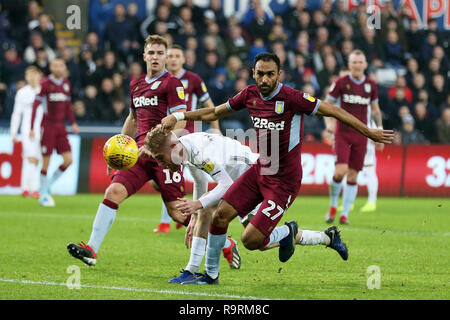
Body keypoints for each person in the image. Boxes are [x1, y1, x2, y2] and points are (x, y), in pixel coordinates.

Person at [161, 52, 393, 284]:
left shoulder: (292, 98)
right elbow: (214, 112)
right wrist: (179, 115)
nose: (264, 79)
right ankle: (211, 276)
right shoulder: (249, 95)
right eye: (260, 74)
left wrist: (369, 131)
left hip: (284, 181)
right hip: (259, 170)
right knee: (219, 217)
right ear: (253, 73)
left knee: (251, 240)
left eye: (270, 74)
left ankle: (288, 231)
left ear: (278, 75)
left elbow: (333, 110)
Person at [143, 126, 351, 284]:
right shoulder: (184, 148)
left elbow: (225, 185)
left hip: (251, 177)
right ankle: (325, 237)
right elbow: (200, 182)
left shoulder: (197, 152)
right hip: (239, 181)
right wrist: (196, 215)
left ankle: (199, 272)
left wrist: (198, 204)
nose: (161, 164)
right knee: (260, 242)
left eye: (160, 158)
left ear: (171, 146)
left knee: (243, 232)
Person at [66, 35, 192, 266]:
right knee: (112, 191)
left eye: (159, 53)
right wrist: (119, 149)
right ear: (144, 56)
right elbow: (133, 118)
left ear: (165, 57)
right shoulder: (136, 84)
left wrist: (156, 146)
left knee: (177, 212)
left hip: (164, 156)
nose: (155, 57)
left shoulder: (172, 84)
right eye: (151, 53)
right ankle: (91, 249)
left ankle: (225, 243)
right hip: (138, 153)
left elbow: (181, 122)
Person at [153, 44, 221, 234]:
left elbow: (209, 105)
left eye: (177, 56)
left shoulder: (194, 79)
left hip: (188, 134)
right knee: (163, 178)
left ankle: (194, 214)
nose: (173, 59)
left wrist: (216, 129)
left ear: (184, 59)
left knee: (194, 177)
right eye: (171, 56)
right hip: (167, 134)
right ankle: (175, 217)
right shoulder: (161, 80)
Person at [324, 50, 384, 225]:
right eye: (354, 62)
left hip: (361, 135)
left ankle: (345, 215)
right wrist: (329, 124)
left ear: (365, 64)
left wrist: (378, 129)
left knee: (352, 176)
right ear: (349, 65)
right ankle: (333, 205)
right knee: (340, 171)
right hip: (342, 133)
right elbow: (327, 105)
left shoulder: (371, 85)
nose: (357, 65)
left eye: (360, 62)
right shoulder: (341, 83)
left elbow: (375, 110)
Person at [30, 58, 80, 207]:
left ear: (64, 67)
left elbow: (68, 106)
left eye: (61, 65)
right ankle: (43, 194)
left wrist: (73, 123)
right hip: (48, 126)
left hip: (61, 127)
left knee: (69, 160)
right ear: (51, 67)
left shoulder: (66, 84)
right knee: (46, 160)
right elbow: (35, 105)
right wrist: (33, 127)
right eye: (56, 65)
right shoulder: (45, 84)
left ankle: (48, 184)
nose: (59, 68)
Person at [10, 66, 43, 198]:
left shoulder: (43, 91)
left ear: (39, 76)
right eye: (28, 75)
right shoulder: (22, 92)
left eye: (34, 74)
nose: (31, 77)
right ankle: (33, 189)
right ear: (26, 77)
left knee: (36, 160)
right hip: (27, 130)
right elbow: (16, 114)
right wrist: (14, 132)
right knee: (31, 158)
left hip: (42, 130)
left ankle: (25, 188)